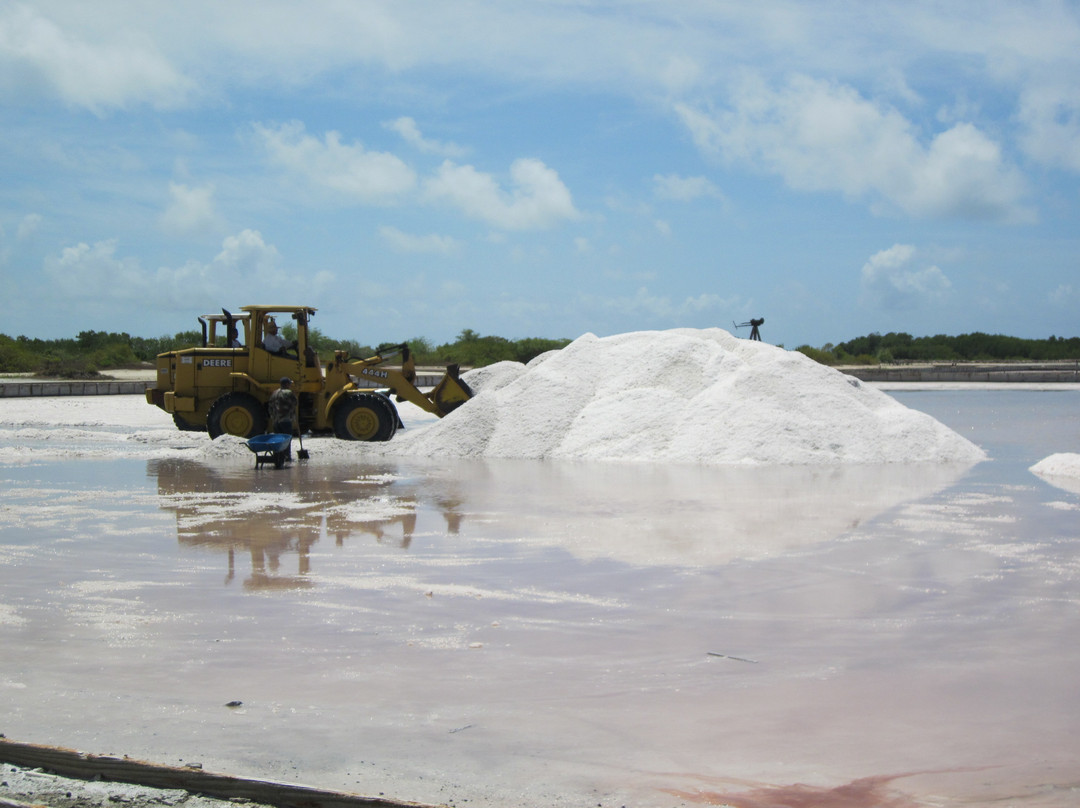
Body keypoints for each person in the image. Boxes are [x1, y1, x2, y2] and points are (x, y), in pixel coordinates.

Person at [267, 377, 298, 458]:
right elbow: (295, 403)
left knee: (278, 440)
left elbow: (269, 407)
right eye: (290, 384)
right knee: (286, 439)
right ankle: (287, 456)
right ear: (287, 384)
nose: (290, 385)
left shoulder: (274, 393)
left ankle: (278, 456)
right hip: (285, 420)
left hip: (275, 421)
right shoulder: (288, 392)